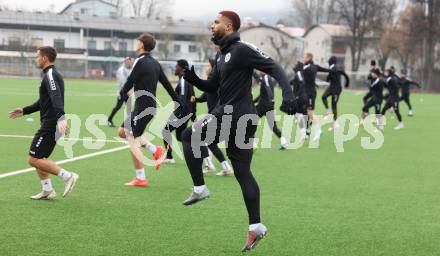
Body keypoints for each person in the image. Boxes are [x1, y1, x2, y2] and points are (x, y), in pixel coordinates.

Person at [182, 11, 296, 252]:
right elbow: (212, 86)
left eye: (216, 22)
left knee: (189, 135)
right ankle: (256, 226)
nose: (212, 26)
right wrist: (193, 78)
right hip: (241, 118)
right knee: (243, 172)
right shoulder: (221, 54)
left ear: (229, 25)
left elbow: (274, 66)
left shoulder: (242, 49)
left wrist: (288, 93)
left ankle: (200, 189)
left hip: (235, 114)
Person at [8, 46, 79, 200]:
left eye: (37, 56)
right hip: (51, 122)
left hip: (52, 124)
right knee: (39, 158)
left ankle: (68, 176)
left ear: (45, 58)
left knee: (33, 159)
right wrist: (25, 110)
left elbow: (55, 95)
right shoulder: (49, 74)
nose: (36, 59)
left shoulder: (51, 74)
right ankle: (47, 190)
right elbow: (44, 101)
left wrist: (61, 117)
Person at [117, 33, 180, 187]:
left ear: (141, 45)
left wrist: (124, 94)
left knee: (133, 140)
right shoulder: (155, 63)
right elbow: (166, 83)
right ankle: (155, 149)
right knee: (122, 131)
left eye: (137, 41)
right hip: (146, 106)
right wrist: (177, 100)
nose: (135, 43)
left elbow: (128, 83)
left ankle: (141, 178)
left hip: (144, 107)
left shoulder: (140, 61)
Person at [195, 58, 233, 176]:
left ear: (213, 68)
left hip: (216, 116)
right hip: (214, 116)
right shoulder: (212, 82)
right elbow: (206, 96)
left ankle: (209, 164)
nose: (206, 68)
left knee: (198, 136)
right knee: (209, 142)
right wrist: (195, 99)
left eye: (208, 66)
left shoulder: (217, 83)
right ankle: (224, 167)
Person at [162, 59, 196, 164]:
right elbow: (193, 97)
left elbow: (182, 100)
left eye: (176, 66)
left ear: (181, 68)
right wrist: (193, 114)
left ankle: (169, 157)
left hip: (182, 113)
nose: (175, 68)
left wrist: (178, 113)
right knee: (181, 137)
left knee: (165, 131)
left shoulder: (183, 80)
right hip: (186, 112)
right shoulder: (187, 79)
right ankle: (201, 154)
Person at [253, 70, 289, 149]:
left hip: (264, 105)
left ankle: (253, 143)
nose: (258, 71)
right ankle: (284, 142)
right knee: (272, 126)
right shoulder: (268, 78)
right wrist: (254, 101)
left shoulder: (265, 78)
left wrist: (270, 99)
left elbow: (268, 90)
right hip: (269, 105)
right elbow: (263, 94)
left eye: (259, 70)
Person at [301, 52, 329, 140]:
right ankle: (307, 131)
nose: (303, 58)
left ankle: (318, 130)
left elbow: (310, 75)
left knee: (310, 112)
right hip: (307, 92)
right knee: (304, 112)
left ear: (309, 57)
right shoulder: (307, 67)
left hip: (310, 93)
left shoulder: (310, 67)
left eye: (304, 57)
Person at [321, 56, 350, 131]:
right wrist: (347, 83)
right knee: (323, 97)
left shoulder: (336, 68)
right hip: (331, 87)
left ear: (331, 61)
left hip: (337, 89)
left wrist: (347, 83)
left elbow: (345, 75)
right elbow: (345, 76)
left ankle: (335, 124)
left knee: (334, 105)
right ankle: (328, 110)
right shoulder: (332, 68)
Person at [108, 57, 133, 127]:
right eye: (127, 61)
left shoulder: (132, 69)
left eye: (129, 61)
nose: (128, 62)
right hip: (122, 92)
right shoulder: (121, 70)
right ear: (124, 62)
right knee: (118, 107)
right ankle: (109, 120)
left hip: (128, 92)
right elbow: (122, 82)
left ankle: (128, 123)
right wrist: (127, 91)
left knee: (129, 108)